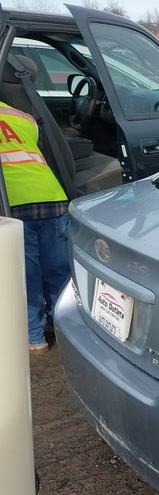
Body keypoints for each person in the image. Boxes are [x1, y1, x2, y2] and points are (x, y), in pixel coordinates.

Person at [0, 99, 71, 351]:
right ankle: (65, 331)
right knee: (59, 272)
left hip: (12, 205)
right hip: (52, 198)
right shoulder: (22, 115)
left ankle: (35, 338)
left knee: (26, 276)